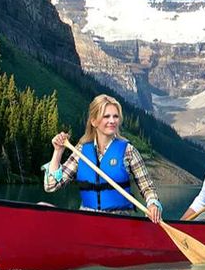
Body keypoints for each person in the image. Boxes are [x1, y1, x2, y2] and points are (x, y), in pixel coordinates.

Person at [43, 94, 163, 223]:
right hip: (86, 221)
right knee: (42, 206)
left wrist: (153, 203)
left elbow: (147, 188)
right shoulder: (81, 150)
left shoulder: (128, 151)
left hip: (119, 222)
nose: (112, 121)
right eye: (106, 116)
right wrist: (58, 151)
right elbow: (51, 186)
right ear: (94, 121)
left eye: (115, 116)